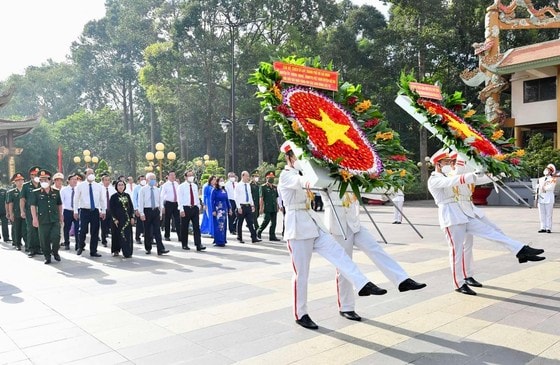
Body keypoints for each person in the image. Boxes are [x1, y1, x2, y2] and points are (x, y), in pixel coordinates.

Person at [278, 141, 387, 330]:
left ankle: (362, 284)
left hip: (313, 223)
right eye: (297, 156)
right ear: (289, 157)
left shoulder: (302, 173)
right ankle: (300, 313)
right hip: (297, 228)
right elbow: (307, 182)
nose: (300, 160)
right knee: (301, 274)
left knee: (339, 255)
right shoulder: (286, 175)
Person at [427, 149, 545, 296]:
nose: (449, 164)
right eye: (446, 162)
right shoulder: (435, 179)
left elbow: (471, 179)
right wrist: (467, 166)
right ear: (438, 164)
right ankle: (458, 283)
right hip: (451, 216)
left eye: (451, 161)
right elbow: (454, 180)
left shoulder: (447, 175)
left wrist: (499, 173)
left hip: (463, 214)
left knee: (492, 232)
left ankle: (521, 250)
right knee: (456, 251)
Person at [321, 190, 426, 321]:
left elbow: (366, 190)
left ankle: (402, 280)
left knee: (375, 249)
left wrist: (388, 191)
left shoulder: (351, 172)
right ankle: (346, 307)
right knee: (344, 266)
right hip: (337, 224)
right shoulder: (327, 171)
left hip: (354, 222)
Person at [30, 170, 63, 264]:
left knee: (56, 236)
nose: (44, 182)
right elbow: (33, 206)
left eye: (46, 180)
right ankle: (47, 256)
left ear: (50, 180)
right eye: (41, 180)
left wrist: (61, 216)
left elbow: (59, 205)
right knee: (44, 239)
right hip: (42, 219)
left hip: (54, 218)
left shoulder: (56, 192)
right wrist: (34, 218)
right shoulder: (35, 192)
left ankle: (55, 252)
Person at [73, 168, 106, 257]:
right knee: (82, 230)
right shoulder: (80, 186)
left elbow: (102, 199)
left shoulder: (99, 186)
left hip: (95, 211)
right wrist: (75, 211)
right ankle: (80, 246)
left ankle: (93, 250)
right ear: (85, 175)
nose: (91, 174)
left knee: (95, 231)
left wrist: (103, 210)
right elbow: (76, 199)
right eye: (89, 173)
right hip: (84, 210)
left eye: (92, 173)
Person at [137, 172, 169, 255]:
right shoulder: (143, 189)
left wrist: (161, 213)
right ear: (147, 180)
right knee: (147, 231)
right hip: (147, 210)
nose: (153, 180)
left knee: (157, 230)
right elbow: (140, 202)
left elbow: (159, 201)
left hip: (155, 211)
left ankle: (160, 249)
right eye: (151, 179)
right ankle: (148, 248)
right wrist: (141, 213)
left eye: (154, 179)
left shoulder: (157, 189)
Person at [177, 170, 206, 251]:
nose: (191, 177)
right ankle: (184, 244)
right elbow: (179, 199)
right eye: (189, 175)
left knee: (196, 227)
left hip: (194, 208)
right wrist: (181, 209)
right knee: (184, 227)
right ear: (185, 177)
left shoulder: (194, 186)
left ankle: (198, 244)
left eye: (192, 175)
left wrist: (198, 205)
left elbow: (196, 196)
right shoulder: (181, 187)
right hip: (186, 208)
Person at [109, 180, 135, 258]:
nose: (121, 186)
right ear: (116, 186)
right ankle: (116, 250)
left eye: (122, 185)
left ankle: (127, 252)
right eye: (119, 185)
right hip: (118, 220)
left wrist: (132, 217)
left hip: (126, 219)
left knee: (127, 235)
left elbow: (131, 207)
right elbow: (111, 209)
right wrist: (114, 219)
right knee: (117, 235)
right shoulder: (113, 197)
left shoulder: (127, 195)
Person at [20, 166, 42, 257]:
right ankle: (31, 248)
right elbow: (22, 199)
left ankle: (39, 248)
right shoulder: (26, 186)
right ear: (30, 175)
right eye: (33, 174)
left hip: (41, 210)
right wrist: (22, 211)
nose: (34, 176)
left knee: (40, 230)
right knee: (31, 230)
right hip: (30, 211)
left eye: (36, 174)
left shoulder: (43, 184)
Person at [234, 171, 260, 244]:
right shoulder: (238, 185)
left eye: (248, 176)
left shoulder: (248, 185)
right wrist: (238, 207)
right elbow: (236, 197)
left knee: (250, 222)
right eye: (247, 176)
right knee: (240, 223)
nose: (248, 178)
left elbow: (250, 195)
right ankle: (239, 237)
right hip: (241, 206)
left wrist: (252, 205)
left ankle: (254, 237)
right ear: (243, 176)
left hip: (248, 206)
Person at [257, 171, 280, 241]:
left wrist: (277, 206)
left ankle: (272, 236)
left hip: (273, 207)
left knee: (274, 222)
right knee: (266, 221)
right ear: (266, 178)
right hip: (267, 207)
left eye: (272, 177)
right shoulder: (263, 187)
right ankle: (258, 231)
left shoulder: (274, 187)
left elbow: (276, 197)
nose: (271, 179)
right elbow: (261, 198)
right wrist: (261, 208)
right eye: (270, 177)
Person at [7, 173, 26, 251]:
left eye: (21, 180)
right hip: (16, 213)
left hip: (25, 213)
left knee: (25, 230)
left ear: (23, 181)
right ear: (15, 182)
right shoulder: (11, 192)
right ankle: (18, 244)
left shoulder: (26, 190)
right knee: (17, 229)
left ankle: (28, 244)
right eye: (17, 181)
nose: (19, 182)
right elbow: (10, 204)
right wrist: (10, 214)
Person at [536, 163, 557, 233]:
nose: (546, 170)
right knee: (541, 214)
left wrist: (543, 188)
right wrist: (536, 198)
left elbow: (551, 187)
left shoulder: (553, 179)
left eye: (548, 169)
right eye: (546, 169)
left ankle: (548, 228)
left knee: (548, 214)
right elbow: (537, 189)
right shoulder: (540, 179)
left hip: (549, 198)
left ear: (551, 171)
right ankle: (543, 227)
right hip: (541, 198)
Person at [60, 174, 79, 250]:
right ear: (68, 181)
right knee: (66, 228)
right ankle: (67, 243)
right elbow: (61, 202)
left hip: (77, 211)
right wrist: (61, 214)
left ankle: (78, 245)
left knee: (78, 228)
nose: (75, 181)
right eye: (73, 179)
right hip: (67, 211)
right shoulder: (64, 190)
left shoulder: (78, 189)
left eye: (76, 179)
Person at [211, 177, 231, 246]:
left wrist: (229, 208)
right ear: (217, 182)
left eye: (223, 180)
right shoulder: (215, 190)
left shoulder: (224, 190)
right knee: (219, 225)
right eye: (221, 180)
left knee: (224, 225)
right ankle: (218, 241)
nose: (222, 182)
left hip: (224, 210)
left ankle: (223, 239)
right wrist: (213, 210)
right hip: (218, 210)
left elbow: (227, 200)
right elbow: (212, 201)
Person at [161, 170, 181, 241]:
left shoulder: (177, 184)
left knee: (177, 220)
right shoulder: (165, 185)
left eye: (174, 175)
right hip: (168, 203)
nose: (173, 176)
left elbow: (179, 194)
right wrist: (162, 207)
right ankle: (167, 235)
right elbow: (162, 196)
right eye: (171, 175)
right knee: (167, 220)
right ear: (168, 176)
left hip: (176, 203)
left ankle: (180, 236)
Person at [100, 174, 116, 247]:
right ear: (102, 181)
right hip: (103, 210)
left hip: (111, 210)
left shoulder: (112, 189)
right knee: (103, 226)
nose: (107, 182)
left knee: (113, 226)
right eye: (105, 180)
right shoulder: (100, 189)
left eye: (108, 180)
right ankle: (104, 240)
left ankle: (114, 241)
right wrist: (100, 210)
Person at [132, 175, 146, 244]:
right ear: (138, 180)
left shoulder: (147, 187)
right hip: (139, 208)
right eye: (141, 179)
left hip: (146, 208)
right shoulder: (136, 188)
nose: (143, 180)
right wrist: (136, 209)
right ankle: (137, 238)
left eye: (144, 179)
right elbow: (134, 199)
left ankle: (149, 238)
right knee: (139, 224)